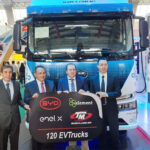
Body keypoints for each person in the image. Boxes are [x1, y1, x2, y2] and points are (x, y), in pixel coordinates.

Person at [90, 58, 121, 150]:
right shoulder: (93, 79)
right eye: (101, 65)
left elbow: (118, 93)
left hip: (112, 109)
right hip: (99, 111)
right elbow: (91, 94)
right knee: (101, 134)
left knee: (114, 133)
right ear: (98, 66)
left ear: (107, 65)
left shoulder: (114, 77)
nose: (103, 67)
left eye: (105, 64)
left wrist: (106, 94)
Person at [57, 63, 89, 150]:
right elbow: (58, 96)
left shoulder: (82, 79)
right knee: (71, 134)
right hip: (68, 111)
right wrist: (61, 94)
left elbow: (88, 93)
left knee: (84, 134)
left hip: (81, 111)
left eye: (74, 69)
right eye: (70, 70)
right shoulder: (61, 81)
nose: (72, 71)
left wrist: (85, 92)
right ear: (66, 71)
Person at [24, 66, 55, 150]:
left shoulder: (51, 83)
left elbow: (56, 98)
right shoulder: (29, 85)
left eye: (44, 73)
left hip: (49, 117)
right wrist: (32, 98)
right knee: (36, 140)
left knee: (49, 140)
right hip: (35, 118)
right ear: (35, 74)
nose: (42, 75)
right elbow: (26, 100)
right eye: (40, 73)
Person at [0, 65, 30, 150]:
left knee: (15, 143)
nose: (8, 74)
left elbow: (19, 99)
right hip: (2, 120)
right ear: (1, 73)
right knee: (2, 144)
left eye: (10, 72)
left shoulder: (16, 84)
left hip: (15, 119)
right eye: (5, 72)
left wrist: (24, 105)